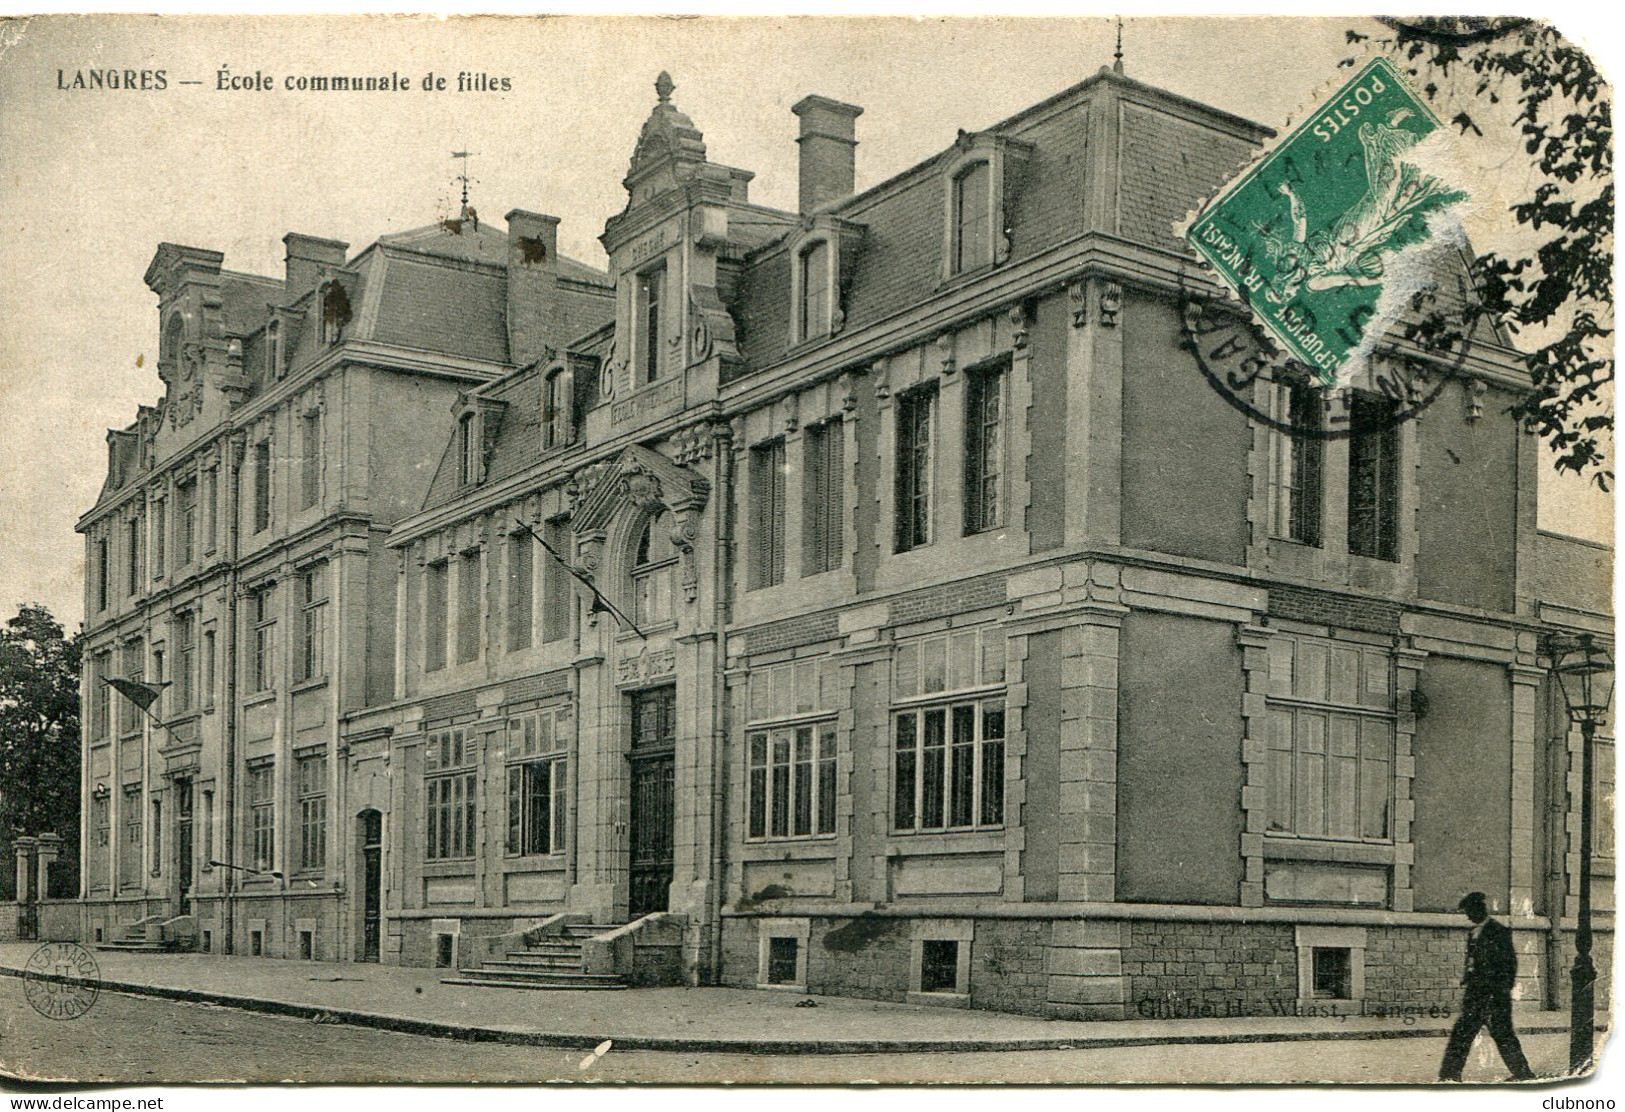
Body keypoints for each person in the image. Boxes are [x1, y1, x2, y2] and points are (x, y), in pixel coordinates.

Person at [1438, 891, 1536, 1082]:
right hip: (1476, 994)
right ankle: (1450, 1074)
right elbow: (1475, 961)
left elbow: (1510, 964)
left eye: (1469, 911)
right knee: (1463, 1033)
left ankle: (1523, 1073)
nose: (1467, 916)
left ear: (1478, 909)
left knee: (1502, 1035)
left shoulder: (1498, 931)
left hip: (1494, 996)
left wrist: (1499, 992)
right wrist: (1468, 976)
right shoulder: (1474, 932)